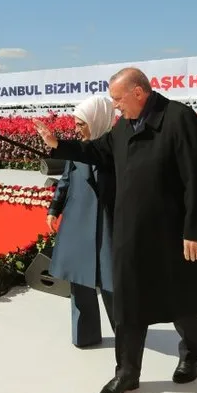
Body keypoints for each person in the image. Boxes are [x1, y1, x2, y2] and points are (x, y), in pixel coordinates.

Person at [34, 67, 197, 393]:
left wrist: (195, 230)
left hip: (172, 233)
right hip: (131, 234)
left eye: (117, 99)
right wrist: (59, 145)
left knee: (182, 300)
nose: (115, 107)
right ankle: (127, 372)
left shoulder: (178, 120)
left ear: (138, 93)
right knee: (128, 305)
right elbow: (97, 151)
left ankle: (192, 355)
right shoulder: (124, 127)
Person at [45, 95, 116, 348]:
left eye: (81, 123)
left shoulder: (117, 146)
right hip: (78, 222)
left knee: (112, 283)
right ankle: (85, 336)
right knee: (80, 282)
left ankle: (127, 335)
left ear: (96, 120)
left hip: (109, 224)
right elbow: (65, 180)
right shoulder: (76, 149)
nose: (77, 129)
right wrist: (54, 208)